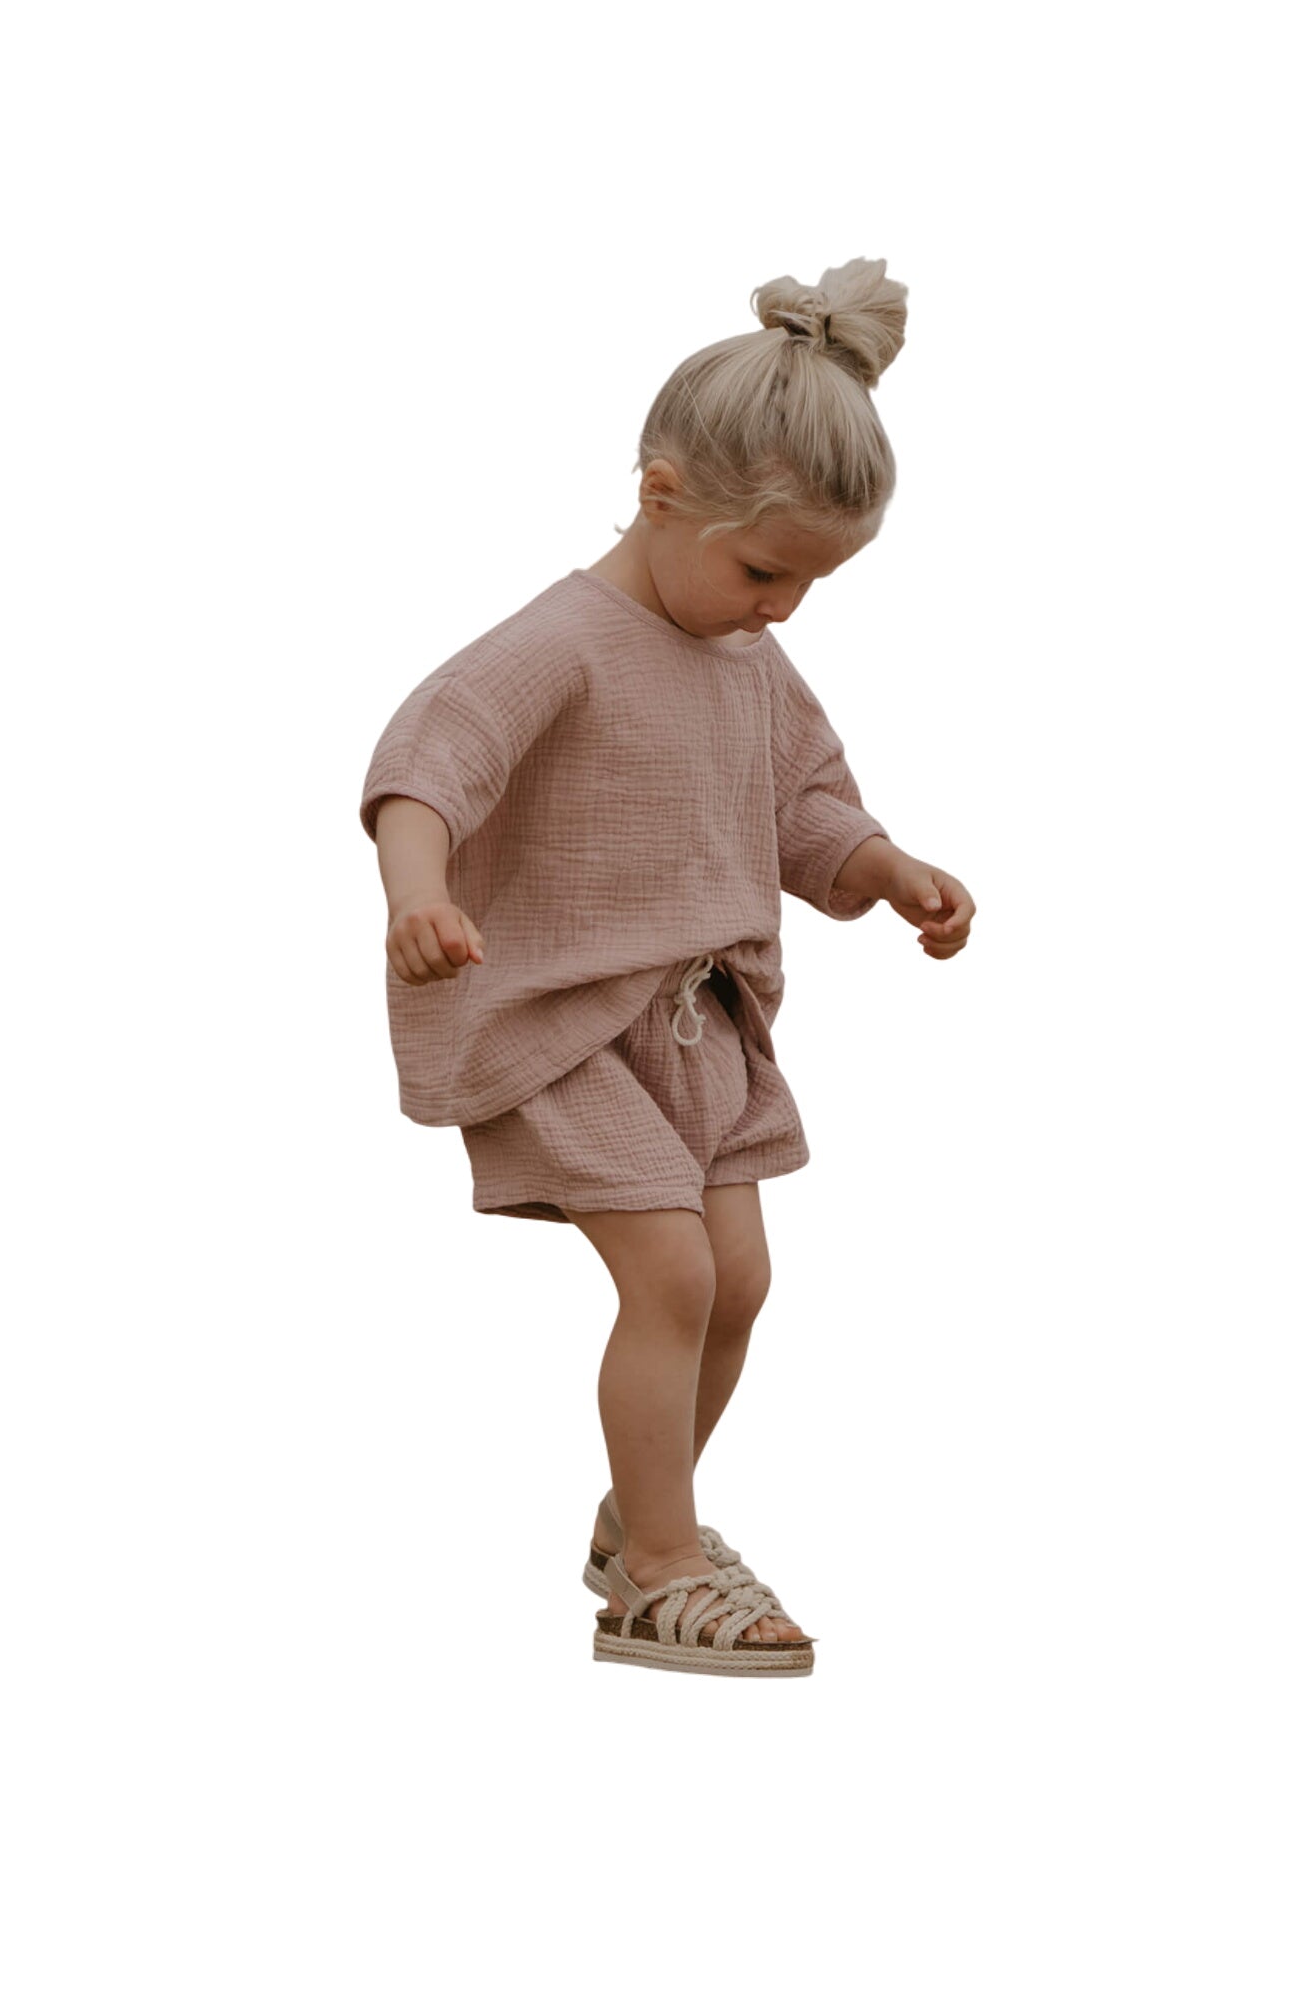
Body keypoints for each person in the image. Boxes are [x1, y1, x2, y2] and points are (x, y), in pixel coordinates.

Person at [358, 256, 976, 1676]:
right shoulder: (562, 643)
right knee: (674, 1275)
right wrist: (416, 892)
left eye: (812, 582)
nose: (783, 608)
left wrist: (883, 868)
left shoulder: (748, 660)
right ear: (659, 495)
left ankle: (646, 1518)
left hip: (700, 1021)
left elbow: (800, 803)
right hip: (561, 1016)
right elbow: (426, 763)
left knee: (737, 1280)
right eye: (764, 572)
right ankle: (656, 1568)